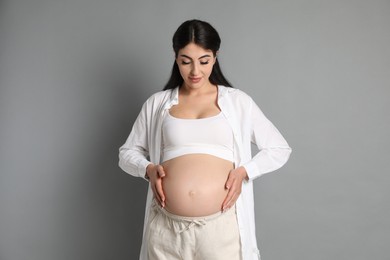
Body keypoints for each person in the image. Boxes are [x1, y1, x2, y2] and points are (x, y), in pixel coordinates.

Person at [118, 19, 292, 260]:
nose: (195, 71)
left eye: (204, 61)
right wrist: (148, 169)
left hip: (221, 231)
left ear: (215, 56)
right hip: (166, 233)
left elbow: (279, 148)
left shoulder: (237, 102)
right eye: (185, 61)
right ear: (175, 57)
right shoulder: (157, 104)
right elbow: (127, 154)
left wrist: (245, 171)